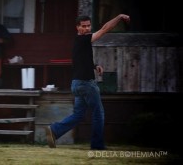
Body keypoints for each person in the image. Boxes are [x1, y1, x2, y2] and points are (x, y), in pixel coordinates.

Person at [46, 14, 130, 150]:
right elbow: (104, 29)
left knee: (78, 115)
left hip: (76, 85)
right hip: (86, 84)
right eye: (83, 26)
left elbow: (82, 60)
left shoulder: (78, 41)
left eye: (88, 26)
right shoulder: (84, 39)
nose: (86, 28)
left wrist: (95, 66)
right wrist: (119, 17)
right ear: (77, 27)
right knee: (98, 113)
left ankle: (54, 131)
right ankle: (97, 145)